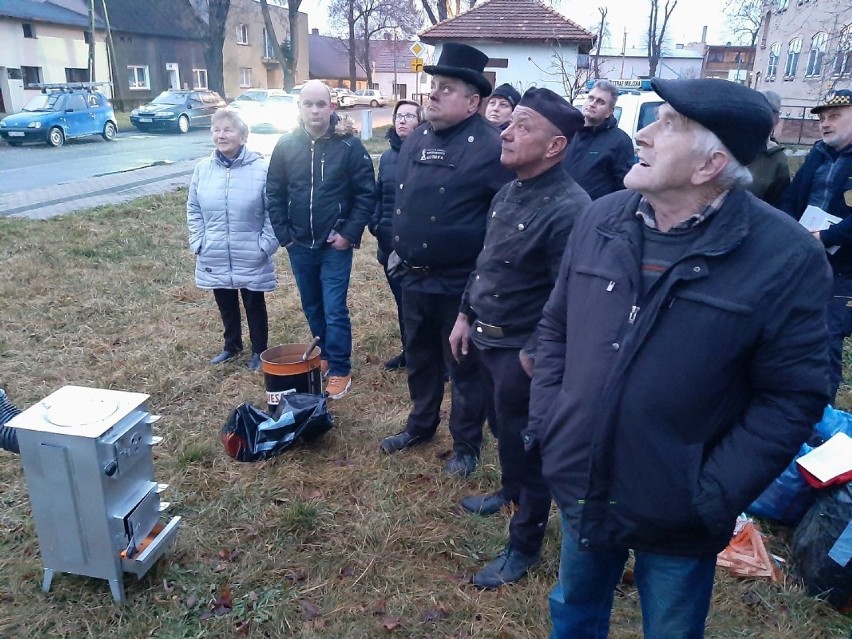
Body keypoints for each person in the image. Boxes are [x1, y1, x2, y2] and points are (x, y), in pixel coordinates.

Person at [529, 78, 832, 638]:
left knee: (670, 629)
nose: (642, 133)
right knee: (573, 610)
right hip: (582, 474)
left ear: (709, 164)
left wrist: (711, 492)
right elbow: (556, 327)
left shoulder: (785, 257)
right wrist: (552, 422)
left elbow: (794, 395)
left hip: (680, 504)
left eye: (667, 123)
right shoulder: (600, 219)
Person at [449, 88, 588, 588]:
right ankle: (508, 491)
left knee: (530, 449)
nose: (505, 132)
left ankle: (523, 543)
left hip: (522, 353)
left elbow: (568, 295)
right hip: (484, 338)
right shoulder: (508, 192)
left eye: (522, 126)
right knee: (502, 429)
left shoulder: (573, 209)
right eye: (511, 124)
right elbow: (485, 263)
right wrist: (464, 314)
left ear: (555, 147)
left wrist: (534, 355)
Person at [379, 42, 515, 476]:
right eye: (433, 86)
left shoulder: (492, 148)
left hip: (461, 282)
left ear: (474, 101)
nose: (433, 95)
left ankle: (466, 444)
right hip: (413, 276)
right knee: (419, 357)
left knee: (463, 367)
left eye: (447, 88)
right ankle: (420, 424)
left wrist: (478, 293)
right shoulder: (417, 137)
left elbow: (500, 232)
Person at [266, 80, 376, 400]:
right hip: (300, 243)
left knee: (334, 308)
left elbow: (366, 193)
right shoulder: (286, 145)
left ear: (332, 107)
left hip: (334, 244)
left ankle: (340, 369)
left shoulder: (349, 146)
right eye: (308, 104)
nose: (315, 110)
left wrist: (349, 234)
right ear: (299, 108)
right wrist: (285, 235)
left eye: (320, 104)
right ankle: (324, 352)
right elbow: (274, 192)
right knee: (312, 305)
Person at [187, 108, 278, 371]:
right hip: (214, 249)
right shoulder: (203, 169)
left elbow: (273, 211)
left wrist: (265, 245)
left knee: (253, 302)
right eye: (216, 130)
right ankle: (231, 345)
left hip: (251, 250)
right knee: (224, 299)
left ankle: (259, 351)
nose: (221, 135)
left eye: (228, 130)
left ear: (243, 136)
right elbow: (193, 208)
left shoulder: (261, 169)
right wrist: (198, 241)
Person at [780, 89, 852, 400]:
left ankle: (821, 423)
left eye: (834, 116)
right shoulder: (817, 154)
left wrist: (825, 238)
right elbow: (791, 199)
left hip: (842, 270)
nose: (825, 123)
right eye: (822, 118)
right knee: (790, 335)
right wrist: (787, 231)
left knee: (825, 341)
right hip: (804, 259)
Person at [371, 99, 424, 371]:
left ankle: (432, 357)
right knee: (401, 304)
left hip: (415, 249)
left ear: (420, 121)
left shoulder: (427, 152)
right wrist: (376, 223)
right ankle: (408, 352)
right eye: (398, 116)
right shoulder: (389, 156)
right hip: (387, 244)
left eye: (409, 116)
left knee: (421, 307)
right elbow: (379, 194)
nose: (402, 121)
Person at [562, 79, 634, 200]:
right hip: (560, 210)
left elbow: (624, 188)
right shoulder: (569, 132)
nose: (592, 103)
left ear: (610, 112)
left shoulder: (619, 141)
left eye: (600, 102)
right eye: (591, 98)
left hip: (594, 214)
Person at [746, 90, 790, 206]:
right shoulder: (726, 144)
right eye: (757, 107)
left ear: (777, 120)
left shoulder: (777, 158)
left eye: (770, 110)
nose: (762, 113)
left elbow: (777, 205)